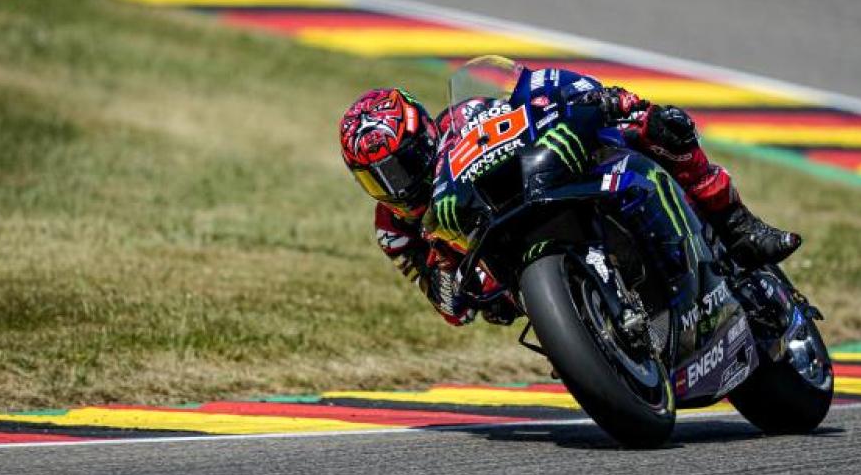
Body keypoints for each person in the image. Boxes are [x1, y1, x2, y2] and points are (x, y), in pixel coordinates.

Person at [339, 61, 801, 326]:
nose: (394, 186)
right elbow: (447, 307)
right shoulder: (394, 227)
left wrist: (591, 100)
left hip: (552, 182)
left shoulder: (467, 117)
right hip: (506, 263)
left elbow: (533, 93)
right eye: (375, 180)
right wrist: (447, 272)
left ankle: (738, 224)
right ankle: (593, 335)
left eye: (397, 168)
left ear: (423, 139)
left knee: (657, 125)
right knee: (497, 306)